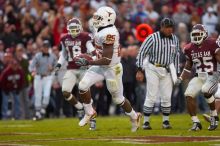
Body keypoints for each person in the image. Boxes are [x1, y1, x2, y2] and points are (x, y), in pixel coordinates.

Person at [74, 6, 141, 132]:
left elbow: (107, 59)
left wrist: (89, 61)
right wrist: (90, 57)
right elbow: (100, 52)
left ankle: (134, 116)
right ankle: (89, 112)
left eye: (99, 18)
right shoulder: (101, 28)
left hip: (112, 68)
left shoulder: (109, 33)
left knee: (118, 99)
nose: (96, 20)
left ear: (108, 19)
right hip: (100, 64)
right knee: (82, 86)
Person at [136, 18, 180, 130]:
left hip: (167, 69)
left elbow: (176, 57)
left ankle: (166, 122)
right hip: (153, 68)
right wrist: (140, 69)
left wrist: (177, 73)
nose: (170, 29)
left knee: (166, 96)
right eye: (167, 27)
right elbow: (141, 53)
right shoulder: (152, 38)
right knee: (151, 95)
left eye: (171, 27)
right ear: (162, 27)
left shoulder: (175, 39)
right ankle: (146, 122)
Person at [54, 17, 97, 130]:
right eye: (71, 29)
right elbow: (63, 54)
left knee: (86, 95)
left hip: (83, 69)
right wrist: (59, 64)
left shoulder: (85, 37)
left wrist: (91, 60)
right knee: (65, 91)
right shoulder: (64, 38)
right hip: (71, 69)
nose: (73, 31)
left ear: (80, 28)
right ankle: (79, 108)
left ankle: (92, 119)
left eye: (75, 28)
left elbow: (93, 51)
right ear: (68, 29)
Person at [178, 24, 220, 131]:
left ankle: (214, 116)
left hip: (213, 74)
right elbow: (188, 66)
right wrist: (181, 78)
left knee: (206, 90)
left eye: (199, 34)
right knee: (188, 95)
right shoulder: (189, 48)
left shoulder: (212, 43)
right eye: (195, 34)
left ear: (205, 34)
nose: (196, 37)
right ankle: (196, 122)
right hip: (199, 76)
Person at [29, 40, 57, 120]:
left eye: (47, 47)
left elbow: (57, 67)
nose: (46, 48)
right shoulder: (37, 56)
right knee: (37, 95)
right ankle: (38, 113)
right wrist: (32, 71)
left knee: (46, 95)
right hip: (38, 77)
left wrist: (52, 69)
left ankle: (43, 110)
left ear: (49, 47)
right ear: (42, 47)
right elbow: (31, 66)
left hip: (48, 77)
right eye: (44, 46)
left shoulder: (53, 56)